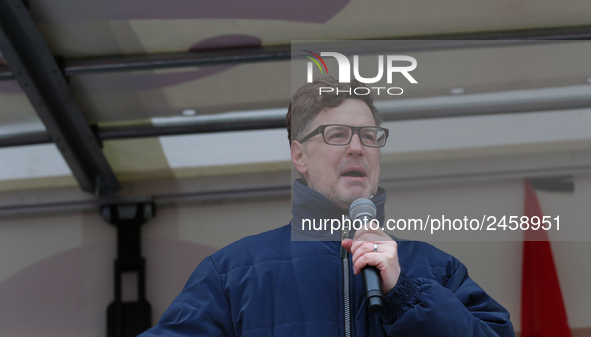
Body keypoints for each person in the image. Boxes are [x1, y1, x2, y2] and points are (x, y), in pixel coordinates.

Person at [139, 77, 515, 336]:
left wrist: (404, 294)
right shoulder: (232, 275)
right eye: (337, 135)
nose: (357, 147)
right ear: (299, 155)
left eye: (369, 136)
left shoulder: (435, 271)